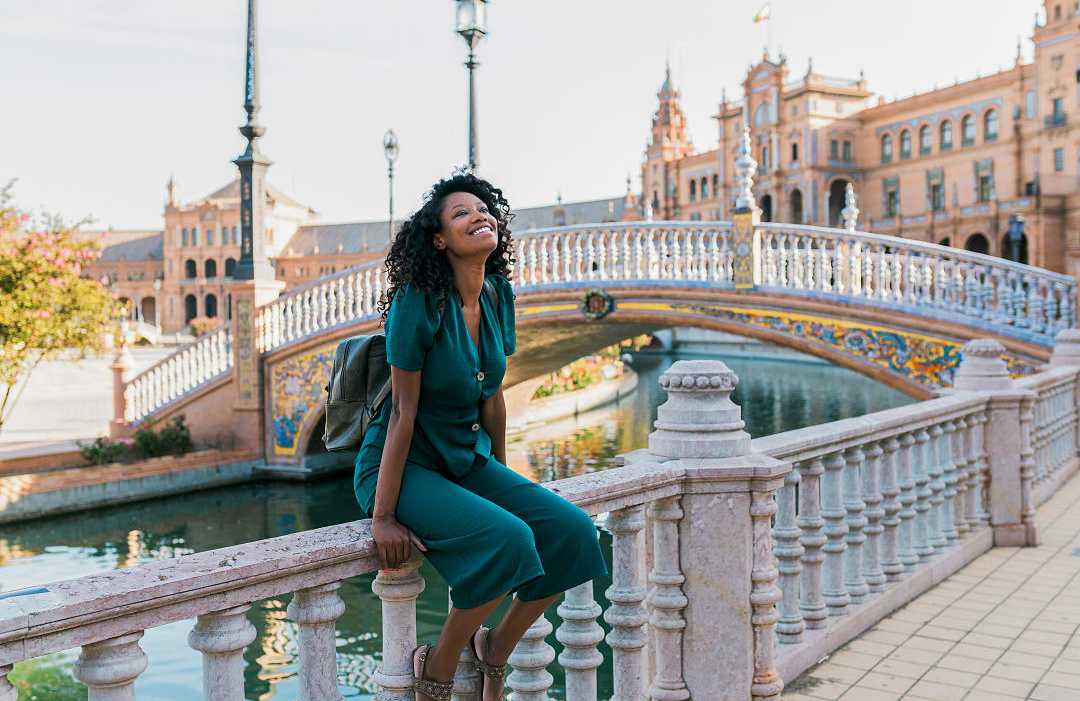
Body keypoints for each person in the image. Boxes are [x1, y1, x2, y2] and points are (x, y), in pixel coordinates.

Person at [353, 173, 609, 701]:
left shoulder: (496, 294)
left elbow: (492, 396)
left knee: (575, 533)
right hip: (402, 467)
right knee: (509, 539)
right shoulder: (417, 299)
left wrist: (501, 475)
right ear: (440, 239)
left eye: (483, 208)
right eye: (461, 213)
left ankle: (495, 648)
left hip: (467, 458)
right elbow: (402, 412)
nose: (479, 216)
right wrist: (382, 516)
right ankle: (438, 668)